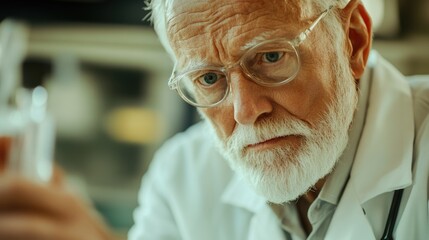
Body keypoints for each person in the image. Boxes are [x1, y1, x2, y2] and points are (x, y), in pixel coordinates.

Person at [128, 0, 429, 239]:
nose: (244, 111)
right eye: (208, 78)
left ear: (353, 39)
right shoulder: (180, 178)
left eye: (271, 56)